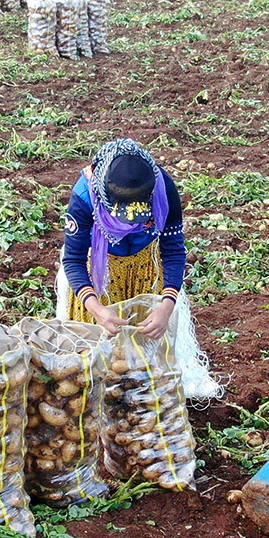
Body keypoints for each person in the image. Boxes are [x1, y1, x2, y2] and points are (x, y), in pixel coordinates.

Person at [55, 139, 223, 399]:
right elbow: (73, 260)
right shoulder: (85, 196)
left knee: (146, 360)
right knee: (96, 363)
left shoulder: (162, 187)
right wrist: (97, 309)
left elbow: (173, 250)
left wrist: (166, 307)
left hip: (145, 269)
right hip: (100, 275)